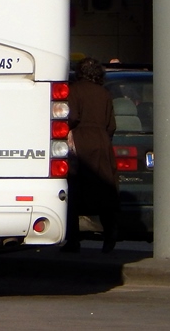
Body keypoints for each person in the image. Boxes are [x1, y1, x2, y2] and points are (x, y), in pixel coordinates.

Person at [63, 57, 119, 253]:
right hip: (102, 143)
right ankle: (110, 234)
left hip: (80, 143)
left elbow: (72, 116)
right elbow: (111, 125)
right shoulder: (104, 93)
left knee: (75, 191)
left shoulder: (75, 90)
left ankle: (73, 240)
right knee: (105, 189)